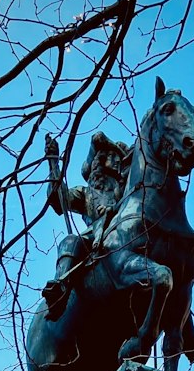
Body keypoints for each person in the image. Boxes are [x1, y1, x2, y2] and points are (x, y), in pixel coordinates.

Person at [40, 130, 132, 320]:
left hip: (127, 234)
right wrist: (53, 164)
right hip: (95, 236)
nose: (113, 160)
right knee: (71, 241)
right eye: (107, 156)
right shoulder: (85, 193)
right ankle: (61, 289)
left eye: (115, 157)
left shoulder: (128, 188)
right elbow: (60, 200)